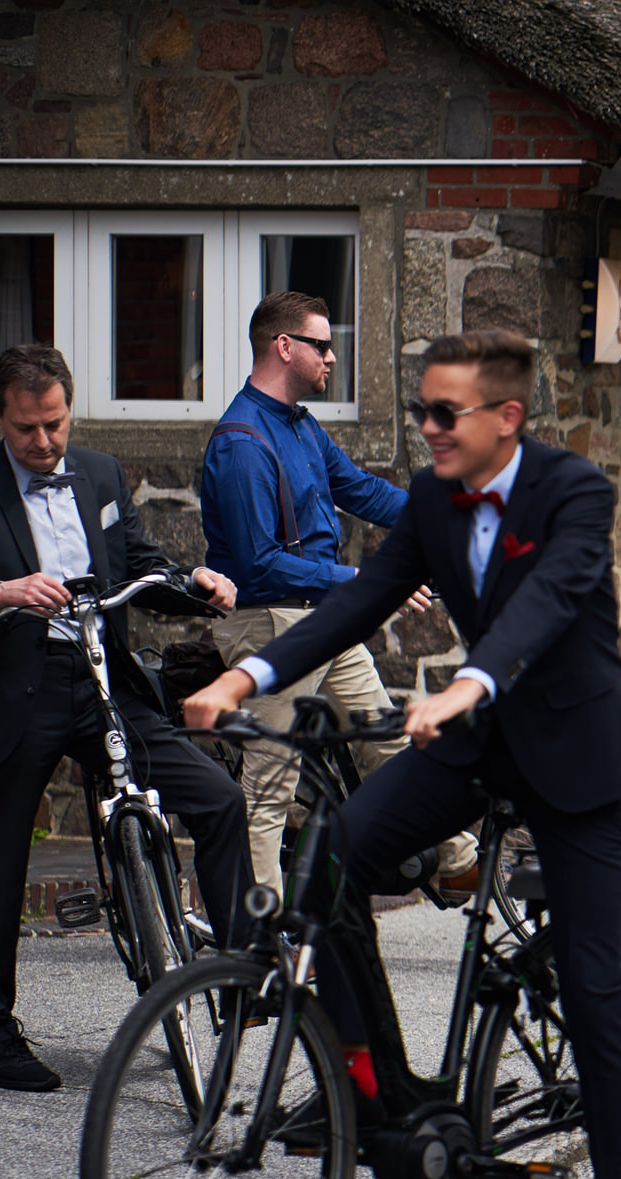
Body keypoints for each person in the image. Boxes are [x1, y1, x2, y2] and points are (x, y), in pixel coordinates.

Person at [184, 330, 621, 1179]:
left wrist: (472, 679)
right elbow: (357, 597)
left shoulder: (573, 491)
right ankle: (374, 1084)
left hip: (570, 755)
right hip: (476, 738)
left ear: (505, 418)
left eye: (445, 413)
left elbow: (549, 599)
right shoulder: (437, 499)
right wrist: (248, 673)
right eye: (422, 412)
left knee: (589, 984)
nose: (428, 429)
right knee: (328, 857)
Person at [0, 344, 245, 1091]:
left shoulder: (100, 473)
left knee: (219, 799)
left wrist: (194, 583)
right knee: (4, 856)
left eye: (55, 425)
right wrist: (8, 592)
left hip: (107, 678)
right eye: (26, 430)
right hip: (22, 688)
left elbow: (142, 566)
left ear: (72, 410)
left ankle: (239, 984)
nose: (44, 443)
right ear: (1, 420)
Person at [203, 290, 475, 899]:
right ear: (284, 347)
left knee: (387, 737)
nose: (331, 357)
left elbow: (361, 490)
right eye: (322, 345)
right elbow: (260, 564)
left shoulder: (300, 425)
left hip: (322, 618)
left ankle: (459, 860)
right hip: (270, 624)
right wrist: (364, 583)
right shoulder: (242, 443)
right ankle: (261, 937)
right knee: (270, 784)